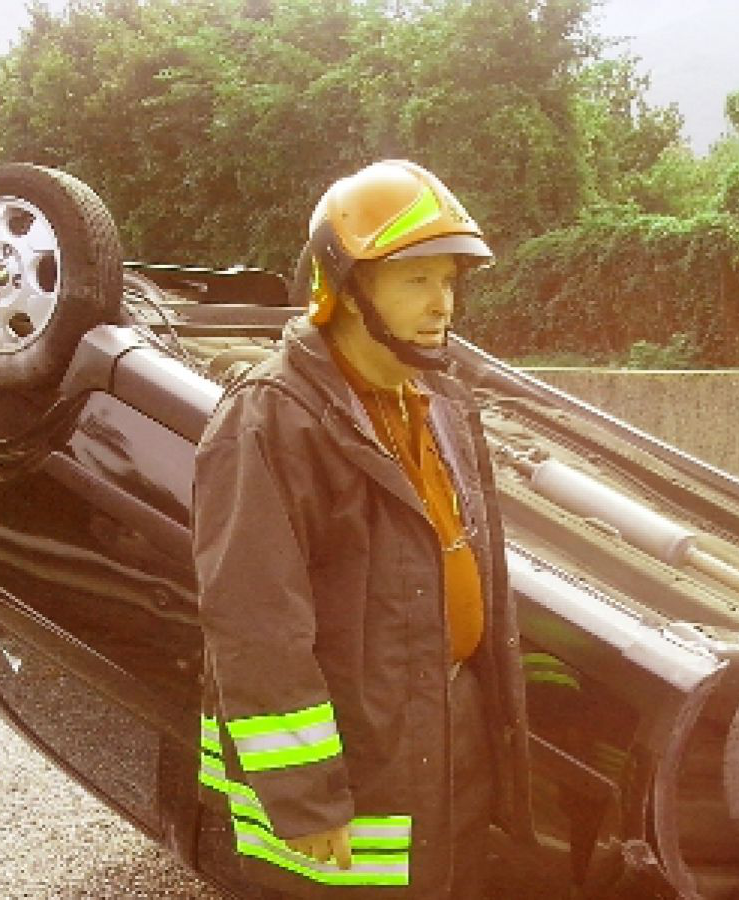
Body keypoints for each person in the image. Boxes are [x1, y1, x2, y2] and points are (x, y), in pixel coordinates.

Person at [191, 159, 533, 898]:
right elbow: (254, 626)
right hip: (352, 772)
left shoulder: (442, 404)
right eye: (416, 280)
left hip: (441, 740)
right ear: (342, 288)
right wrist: (305, 797)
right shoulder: (269, 418)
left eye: (449, 281)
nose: (442, 304)